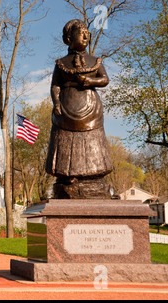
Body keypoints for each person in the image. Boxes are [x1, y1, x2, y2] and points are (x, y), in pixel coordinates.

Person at [46, 19, 113, 198]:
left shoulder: (95, 61)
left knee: (92, 139)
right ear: (69, 38)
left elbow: (105, 80)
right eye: (81, 32)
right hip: (66, 109)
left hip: (90, 109)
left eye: (87, 33)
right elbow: (55, 85)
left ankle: (95, 174)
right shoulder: (61, 63)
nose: (86, 35)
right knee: (67, 140)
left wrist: (91, 81)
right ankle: (68, 175)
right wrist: (57, 103)